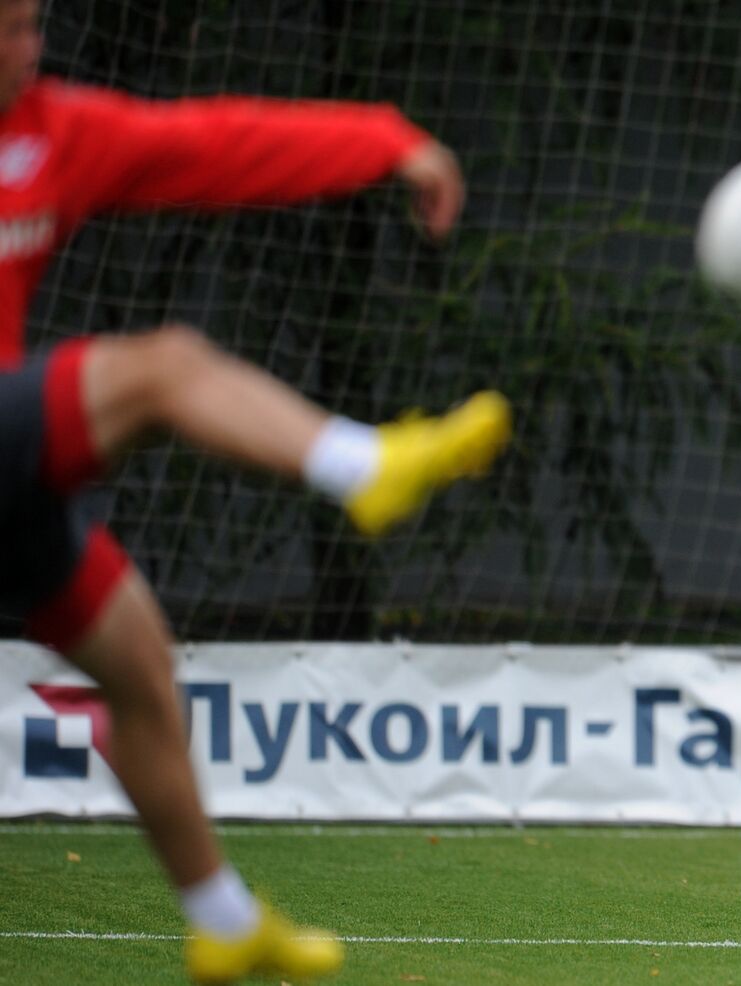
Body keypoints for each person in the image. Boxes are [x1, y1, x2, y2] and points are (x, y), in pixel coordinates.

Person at [0, 1, 510, 981]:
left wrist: (383, 140)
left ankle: (224, 917)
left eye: (36, 23)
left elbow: (214, 143)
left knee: (142, 668)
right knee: (162, 367)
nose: (33, 48)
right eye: (11, 29)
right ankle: (361, 466)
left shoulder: (49, 133)